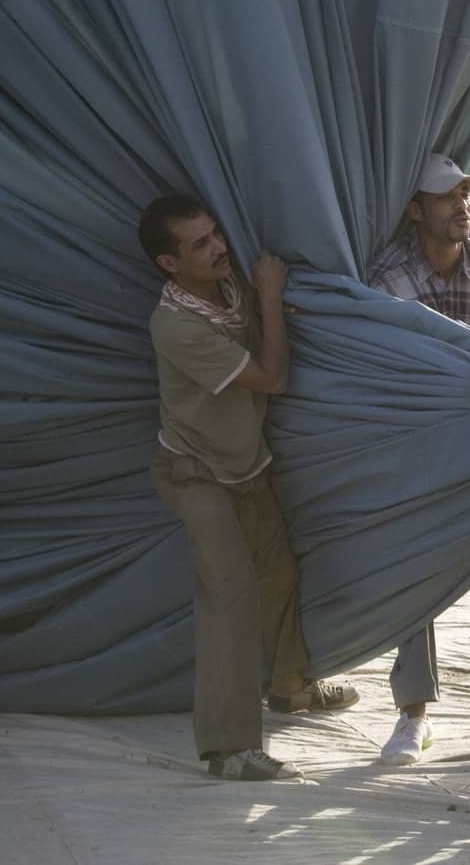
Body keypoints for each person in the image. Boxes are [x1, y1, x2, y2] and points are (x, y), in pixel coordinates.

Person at [138, 196, 358, 781]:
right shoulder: (177, 324)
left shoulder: (225, 286)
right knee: (230, 600)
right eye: (200, 244)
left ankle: (289, 685)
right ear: (169, 262)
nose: (218, 248)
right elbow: (273, 379)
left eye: (216, 235)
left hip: (247, 466)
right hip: (196, 474)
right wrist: (268, 295)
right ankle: (228, 749)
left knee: (281, 573)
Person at [365, 154, 470, 764]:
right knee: (416, 564)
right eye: (444, 197)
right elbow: (403, 368)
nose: (460, 206)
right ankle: (413, 715)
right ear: (414, 210)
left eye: (466, 194)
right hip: (425, 435)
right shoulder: (389, 275)